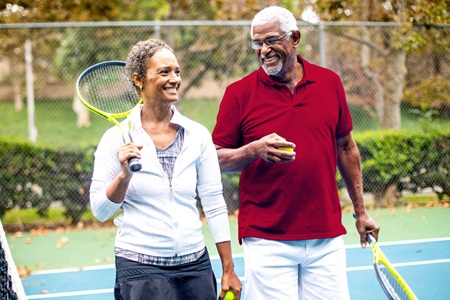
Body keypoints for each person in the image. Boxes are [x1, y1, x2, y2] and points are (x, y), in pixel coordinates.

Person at [212, 6, 380, 300]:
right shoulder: (238, 94)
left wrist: (361, 212)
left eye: (271, 40)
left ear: (295, 38)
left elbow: (346, 147)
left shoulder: (329, 83)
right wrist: (253, 150)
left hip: (325, 234)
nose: (264, 50)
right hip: (267, 238)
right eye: (257, 43)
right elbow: (214, 159)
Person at [90, 39, 241, 300]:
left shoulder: (198, 134)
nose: (174, 79)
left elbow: (214, 202)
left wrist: (228, 268)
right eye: (164, 72)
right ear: (139, 79)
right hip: (140, 268)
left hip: (195, 265)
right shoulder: (115, 139)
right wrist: (124, 176)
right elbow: (100, 211)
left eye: (177, 71)